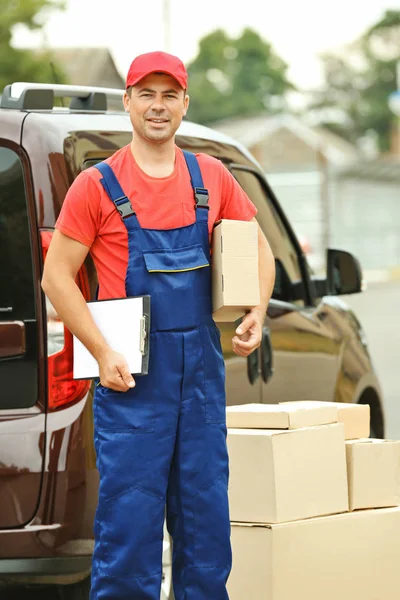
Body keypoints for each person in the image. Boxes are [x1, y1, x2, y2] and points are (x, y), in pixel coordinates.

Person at [41, 51, 275, 600]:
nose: (158, 105)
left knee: (206, 527)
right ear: (127, 102)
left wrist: (257, 312)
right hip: (130, 375)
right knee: (129, 531)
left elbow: (258, 251)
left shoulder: (211, 177)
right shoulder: (96, 186)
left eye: (170, 95)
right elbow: (57, 279)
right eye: (146, 93)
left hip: (198, 379)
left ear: (185, 104)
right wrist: (100, 352)